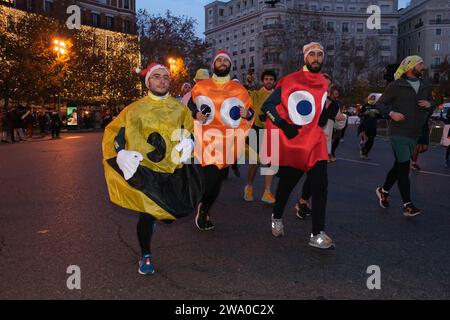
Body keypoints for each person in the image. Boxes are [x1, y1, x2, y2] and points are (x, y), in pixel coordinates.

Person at [102, 63, 203, 275]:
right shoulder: (134, 109)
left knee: (171, 212)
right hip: (146, 171)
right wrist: (121, 152)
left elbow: (191, 130)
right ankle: (145, 254)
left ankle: (159, 216)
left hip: (173, 169)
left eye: (166, 77)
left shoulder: (181, 109)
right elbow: (116, 132)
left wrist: (191, 141)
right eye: (156, 77)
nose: (162, 81)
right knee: (147, 215)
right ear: (148, 82)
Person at [261, 42, 335, 249]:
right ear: (305, 57)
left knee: (321, 186)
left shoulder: (323, 82)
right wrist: (284, 125)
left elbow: (318, 113)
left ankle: (317, 234)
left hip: (316, 143)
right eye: (312, 54)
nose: (317, 58)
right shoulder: (290, 80)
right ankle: (277, 216)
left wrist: (329, 114)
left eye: (320, 54)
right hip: (294, 144)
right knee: (286, 186)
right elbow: (266, 107)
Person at [187, 50, 255, 231]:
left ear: (230, 65)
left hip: (227, 142)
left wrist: (247, 114)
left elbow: (250, 111)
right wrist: (195, 113)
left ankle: (205, 207)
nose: (223, 63)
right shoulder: (202, 86)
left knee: (216, 181)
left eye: (226, 60)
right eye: (219, 60)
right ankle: (203, 209)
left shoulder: (239, 89)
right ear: (214, 65)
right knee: (212, 177)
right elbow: (190, 104)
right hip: (206, 139)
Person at [375, 55, 434, 217]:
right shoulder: (396, 85)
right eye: (420, 63)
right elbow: (380, 104)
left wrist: (430, 105)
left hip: (415, 132)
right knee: (403, 167)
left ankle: (383, 190)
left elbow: (432, 104)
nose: (424, 66)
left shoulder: (425, 85)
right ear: (410, 67)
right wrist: (391, 113)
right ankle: (408, 205)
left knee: (399, 165)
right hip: (398, 132)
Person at [295, 75, 345, 219]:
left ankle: (303, 202)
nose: (326, 87)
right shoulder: (309, 100)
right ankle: (300, 203)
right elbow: (312, 120)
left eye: (328, 85)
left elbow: (337, 125)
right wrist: (331, 116)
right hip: (308, 142)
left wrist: (341, 119)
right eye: (323, 84)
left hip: (324, 145)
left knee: (315, 177)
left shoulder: (334, 105)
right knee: (311, 177)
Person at [244, 70, 277, 204]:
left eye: (271, 79)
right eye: (266, 79)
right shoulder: (257, 94)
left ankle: (267, 192)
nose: (269, 81)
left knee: (271, 162)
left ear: (274, 81)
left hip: (272, 131)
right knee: (254, 163)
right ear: (263, 81)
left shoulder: (278, 95)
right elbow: (246, 93)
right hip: (257, 130)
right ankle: (249, 187)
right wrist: (249, 81)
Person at [358, 94, 382, 160]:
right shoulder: (365, 105)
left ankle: (364, 152)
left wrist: (377, 113)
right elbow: (359, 114)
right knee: (369, 139)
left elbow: (380, 116)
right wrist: (365, 113)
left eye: (374, 98)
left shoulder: (376, 106)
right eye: (372, 98)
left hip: (373, 125)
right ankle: (364, 153)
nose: (373, 99)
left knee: (371, 141)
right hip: (366, 125)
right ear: (369, 98)